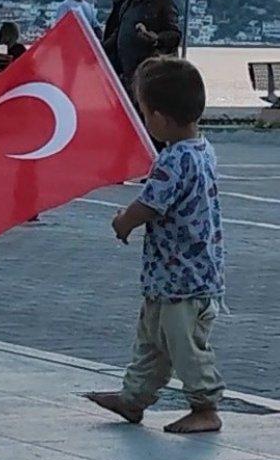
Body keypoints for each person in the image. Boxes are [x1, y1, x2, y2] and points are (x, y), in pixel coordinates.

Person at [85, 56, 225, 435]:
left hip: (182, 279)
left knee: (182, 345)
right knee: (151, 340)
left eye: (145, 113)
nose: (143, 120)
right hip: (175, 275)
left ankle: (205, 404)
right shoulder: (202, 149)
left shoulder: (173, 159)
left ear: (160, 119)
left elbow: (150, 204)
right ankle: (133, 398)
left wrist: (123, 222)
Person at [103, 0, 181, 88]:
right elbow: (119, 33)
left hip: (151, 77)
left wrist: (156, 38)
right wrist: (99, 49)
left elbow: (174, 35)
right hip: (126, 77)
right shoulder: (128, 2)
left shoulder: (163, 2)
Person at [102, 0, 132, 69]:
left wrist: (105, 46)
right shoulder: (118, 8)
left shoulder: (122, 9)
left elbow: (118, 30)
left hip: (115, 51)